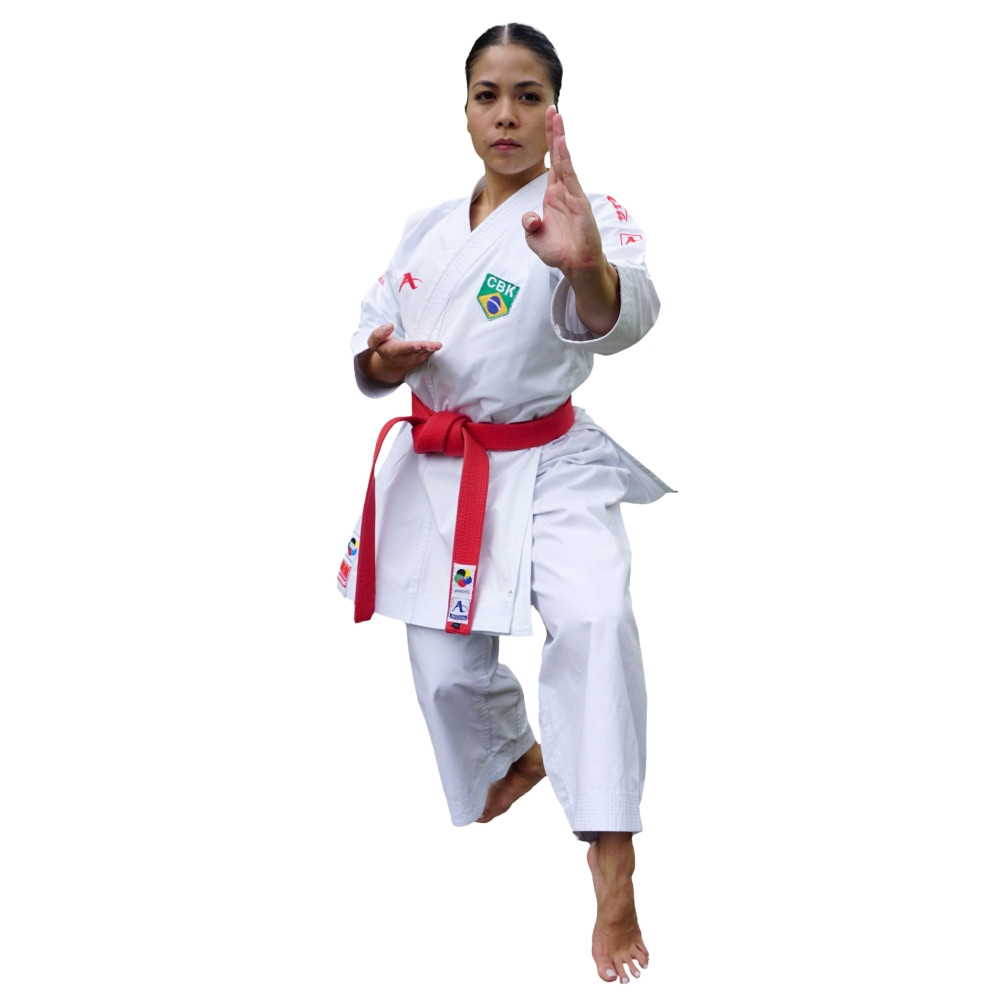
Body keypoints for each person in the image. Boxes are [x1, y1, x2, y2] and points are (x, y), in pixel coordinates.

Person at [338, 23, 672, 985]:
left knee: (596, 620)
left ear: (554, 110)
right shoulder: (426, 229)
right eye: (489, 95)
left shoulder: (587, 212)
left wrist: (583, 267)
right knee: (445, 676)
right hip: (446, 468)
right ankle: (513, 756)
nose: (507, 114)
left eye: (529, 96)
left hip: (551, 459)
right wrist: (382, 362)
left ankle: (613, 860)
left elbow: (618, 318)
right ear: (466, 111)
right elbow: (367, 348)